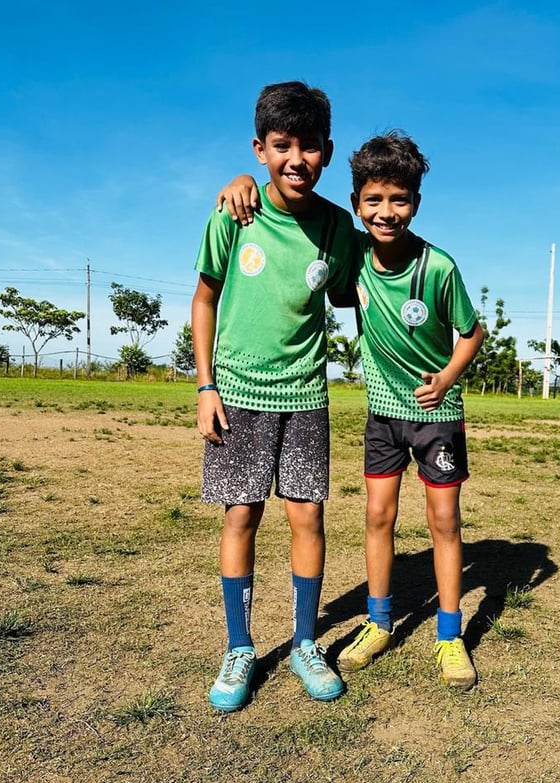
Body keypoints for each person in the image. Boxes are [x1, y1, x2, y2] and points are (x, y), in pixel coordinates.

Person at [219, 131, 484, 690]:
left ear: (416, 202)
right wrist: (243, 182)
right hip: (381, 415)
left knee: (443, 522)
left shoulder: (438, 267)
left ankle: (449, 634)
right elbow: (297, 224)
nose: (386, 212)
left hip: (437, 415)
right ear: (358, 203)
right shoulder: (353, 253)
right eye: (374, 200)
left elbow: (472, 331)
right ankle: (379, 623)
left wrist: (447, 378)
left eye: (399, 200)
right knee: (378, 517)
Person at [191, 80, 356, 713]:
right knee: (241, 516)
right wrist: (205, 386)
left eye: (309, 146)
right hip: (236, 392)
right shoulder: (234, 213)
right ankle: (239, 647)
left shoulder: (337, 227)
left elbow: (353, 291)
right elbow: (204, 299)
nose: (296, 159)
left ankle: (306, 643)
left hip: (306, 394)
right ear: (259, 149)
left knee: (308, 516)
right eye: (281, 145)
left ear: (327, 152)